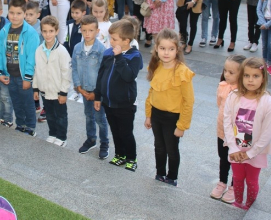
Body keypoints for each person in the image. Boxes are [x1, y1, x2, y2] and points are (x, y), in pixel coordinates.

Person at [223, 57, 271, 210]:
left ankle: (249, 204)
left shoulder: (268, 102)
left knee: (252, 181)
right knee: (237, 178)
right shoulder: (233, 97)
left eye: (255, 76)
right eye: (247, 76)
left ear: (263, 78)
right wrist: (233, 148)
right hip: (236, 150)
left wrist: (251, 153)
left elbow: (269, 132)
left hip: (256, 152)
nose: (250, 80)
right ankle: (238, 202)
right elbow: (227, 122)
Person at [144, 28, 194, 186]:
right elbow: (152, 92)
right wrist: (148, 115)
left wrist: (182, 126)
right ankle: (160, 173)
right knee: (159, 147)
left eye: (171, 49)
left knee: (172, 149)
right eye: (163, 48)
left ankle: (172, 177)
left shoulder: (182, 72)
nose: (166, 53)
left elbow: (188, 101)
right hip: (157, 115)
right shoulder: (157, 66)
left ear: (177, 50)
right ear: (156, 48)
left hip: (173, 118)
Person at [94, 19, 142, 172]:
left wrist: (119, 57)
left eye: (114, 39)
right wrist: (97, 96)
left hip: (125, 103)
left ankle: (131, 157)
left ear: (126, 41)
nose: (110, 41)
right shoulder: (108, 53)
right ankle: (119, 155)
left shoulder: (134, 56)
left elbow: (128, 76)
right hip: (109, 102)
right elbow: (101, 75)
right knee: (115, 130)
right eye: (110, 38)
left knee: (126, 132)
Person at [0, 0, 40, 136]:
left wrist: (28, 77)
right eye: (12, 13)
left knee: (27, 103)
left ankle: (31, 127)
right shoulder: (4, 31)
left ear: (25, 14)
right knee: (16, 102)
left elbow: (32, 57)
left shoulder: (30, 33)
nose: (14, 16)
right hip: (9, 75)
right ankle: (20, 124)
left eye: (19, 13)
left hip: (23, 76)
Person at [210, 55, 246, 203]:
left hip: (238, 134)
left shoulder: (244, 93)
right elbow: (220, 104)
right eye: (226, 70)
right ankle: (222, 182)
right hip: (222, 131)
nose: (227, 74)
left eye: (232, 72)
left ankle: (234, 186)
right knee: (223, 158)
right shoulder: (223, 86)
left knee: (237, 160)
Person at [72, 15, 108, 157]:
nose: (87, 34)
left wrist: (96, 93)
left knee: (100, 118)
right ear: (80, 30)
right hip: (84, 90)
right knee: (88, 116)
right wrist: (78, 87)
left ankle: (104, 143)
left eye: (91, 30)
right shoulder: (77, 48)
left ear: (97, 31)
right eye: (84, 30)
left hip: (97, 93)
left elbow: (103, 74)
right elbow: (74, 68)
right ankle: (91, 139)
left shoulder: (101, 50)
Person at [33, 16, 71, 146]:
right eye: (44, 31)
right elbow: (36, 70)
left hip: (58, 91)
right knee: (49, 114)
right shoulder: (39, 50)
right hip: (44, 90)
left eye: (51, 31)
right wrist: (36, 88)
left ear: (56, 31)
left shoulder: (62, 51)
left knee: (60, 116)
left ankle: (61, 137)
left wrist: (64, 92)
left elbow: (66, 73)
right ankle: (52, 134)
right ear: (41, 32)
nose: (47, 34)